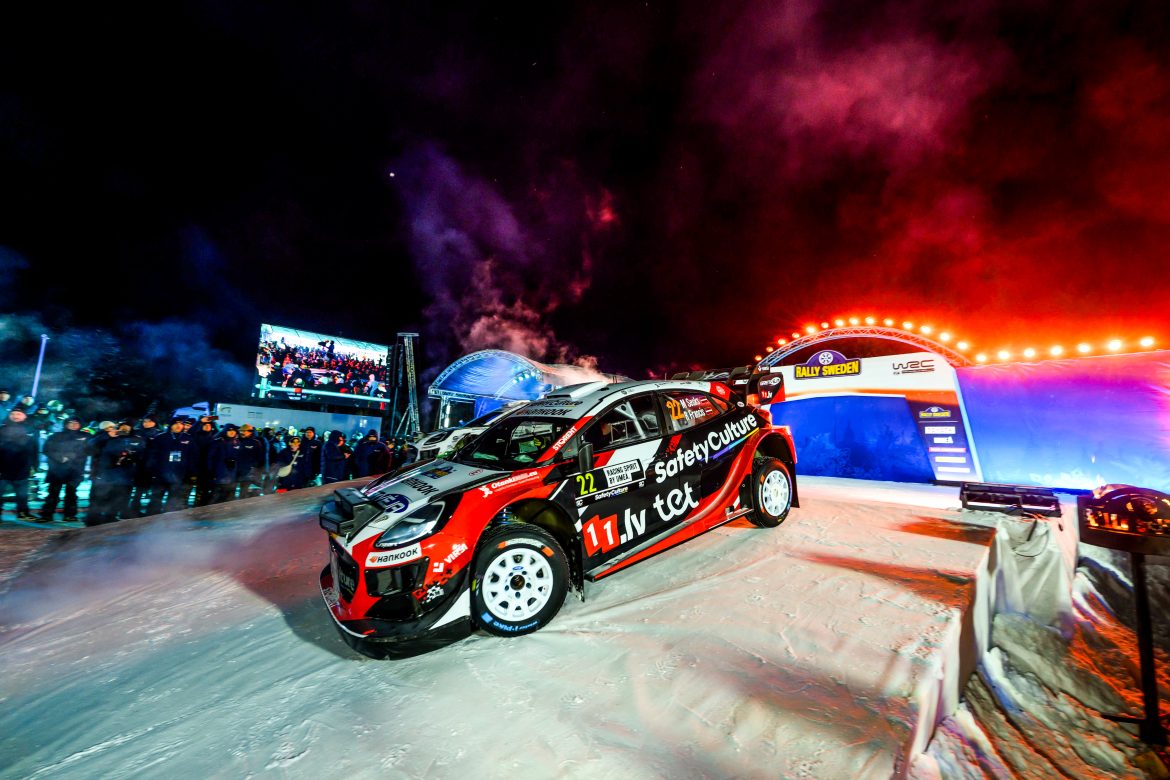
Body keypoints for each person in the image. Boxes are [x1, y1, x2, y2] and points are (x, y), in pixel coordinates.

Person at [89, 422, 146, 524]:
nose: (124, 429)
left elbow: (138, 454)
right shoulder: (103, 437)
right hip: (104, 474)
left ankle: (110, 517)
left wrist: (130, 457)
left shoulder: (129, 439)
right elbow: (90, 446)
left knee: (116, 498)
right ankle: (94, 519)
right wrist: (107, 435)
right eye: (108, 428)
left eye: (112, 427)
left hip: (122, 474)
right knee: (99, 498)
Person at [40, 416, 91, 521]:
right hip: (56, 470)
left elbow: (90, 450)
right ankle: (47, 515)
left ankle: (70, 515)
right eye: (71, 423)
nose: (73, 425)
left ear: (80, 425)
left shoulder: (85, 436)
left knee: (71, 494)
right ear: (66, 424)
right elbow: (47, 449)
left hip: (75, 470)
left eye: (76, 423)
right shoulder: (56, 436)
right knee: (53, 493)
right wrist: (60, 457)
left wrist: (72, 456)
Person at [146, 417, 198, 514]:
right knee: (155, 499)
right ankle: (151, 517)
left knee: (173, 500)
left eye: (181, 424)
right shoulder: (160, 437)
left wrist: (191, 472)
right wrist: (153, 471)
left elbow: (193, 457)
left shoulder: (188, 438)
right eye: (175, 423)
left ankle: (169, 519)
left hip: (179, 475)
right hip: (161, 475)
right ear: (171, 425)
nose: (178, 426)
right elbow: (152, 456)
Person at [0, 407, 39, 521]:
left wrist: (34, 466)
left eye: (18, 414)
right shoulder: (2, 429)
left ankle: (23, 513)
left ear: (24, 416)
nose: (15, 416)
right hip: (3, 468)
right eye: (13, 413)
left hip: (23, 467)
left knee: (22, 494)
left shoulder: (30, 429)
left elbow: (35, 449)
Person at [210, 424, 243, 503]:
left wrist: (239, 472)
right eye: (229, 430)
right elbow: (210, 458)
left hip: (232, 476)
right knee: (215, 499)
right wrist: (211, 472)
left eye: (233, 431)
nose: (232, 432)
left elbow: (240, 458)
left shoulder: (237, 442)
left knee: (229, 500)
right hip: (219, 476)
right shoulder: (217, 442)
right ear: (225, 431)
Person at [191, 416, 219, 506]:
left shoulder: (215, 437)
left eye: (209, 425)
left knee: (208, 490)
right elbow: (191, 431)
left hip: (210, 468)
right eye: (205, 425)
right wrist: (200, 421)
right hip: (199, 467)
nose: (207, 426)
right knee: (199, 490)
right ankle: (198, 506)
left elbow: (221, 432)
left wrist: (213, 421)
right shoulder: (197, 435)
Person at [236, 424, 267, 498]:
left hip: (249, 473)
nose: (243, 432)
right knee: (237, 492)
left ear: (250, 432)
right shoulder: (236, 441)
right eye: (242, 431)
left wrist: (253, 468)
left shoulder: (256, 442)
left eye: (245, 431)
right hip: (237, 472)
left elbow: (260, 458)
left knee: (247, 493)